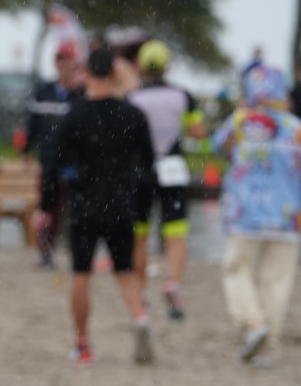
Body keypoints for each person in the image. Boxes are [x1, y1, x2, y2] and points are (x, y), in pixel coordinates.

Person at [44, 44, 156, 365]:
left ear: (87, 71)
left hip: (85, 201)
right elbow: (147, 164)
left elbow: (52, 163)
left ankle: (83, 344)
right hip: (121, 202)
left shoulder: (74, 115)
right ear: (115, 71)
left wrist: (46, 203)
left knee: (81, 273)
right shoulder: (133, 115)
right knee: (124, 271)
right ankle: (140, 317)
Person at [210, 63, 301, 365]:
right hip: (288, 216)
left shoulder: (240, 122)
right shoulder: (295, 128)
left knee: (236, 269)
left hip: (246, 214)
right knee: (277, 282)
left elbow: (217, 147)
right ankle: (266, 347)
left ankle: (253, 323)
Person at [128, 40, 205, 319]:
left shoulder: (133, 97)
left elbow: (127, 135)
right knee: (175, 232)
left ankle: (141, 294)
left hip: (141, 170)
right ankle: (173, 283)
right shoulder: (183, 96)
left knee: (139, 236)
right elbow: (198, 132)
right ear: (167, 66)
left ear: (140, 66)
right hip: (173, 168)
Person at [24, 42, 85, 268]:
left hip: (74, 161)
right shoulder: (43, 92)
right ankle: (46, 252)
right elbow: (32, 124)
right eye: (61, 61)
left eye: (68, 61)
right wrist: (26, 149)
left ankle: (78, 251)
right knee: (47, 207)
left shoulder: (80, 94)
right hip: (48, 160)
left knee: (77, 207)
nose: (64, 66)